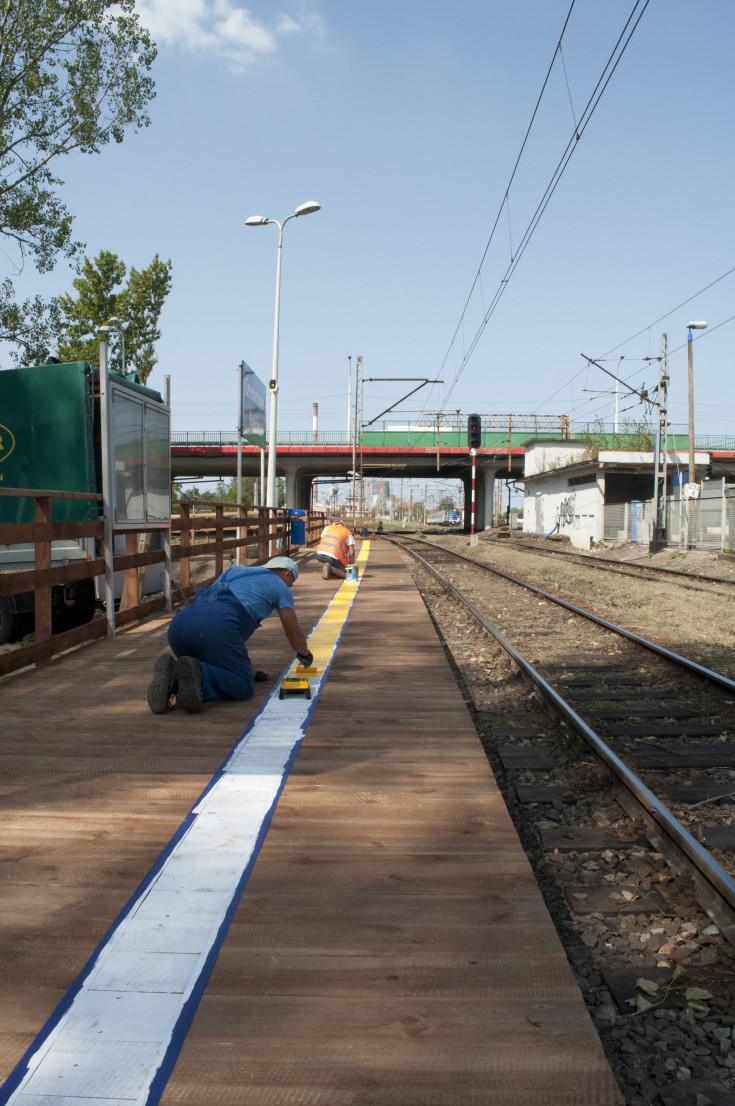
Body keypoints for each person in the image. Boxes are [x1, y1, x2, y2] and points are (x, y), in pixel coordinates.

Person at [147, 556, 312, 714]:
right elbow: (293, 633)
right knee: (244, 685)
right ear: (287, 574)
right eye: (291, 583)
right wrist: (304, 654)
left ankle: (172, 674)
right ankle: (179, 679)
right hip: (216, 625)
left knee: (206, 666)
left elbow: (232, 644)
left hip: (179, 625)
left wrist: (250, 670)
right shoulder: (279, 585)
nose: (290, 587)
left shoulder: (235, 572)